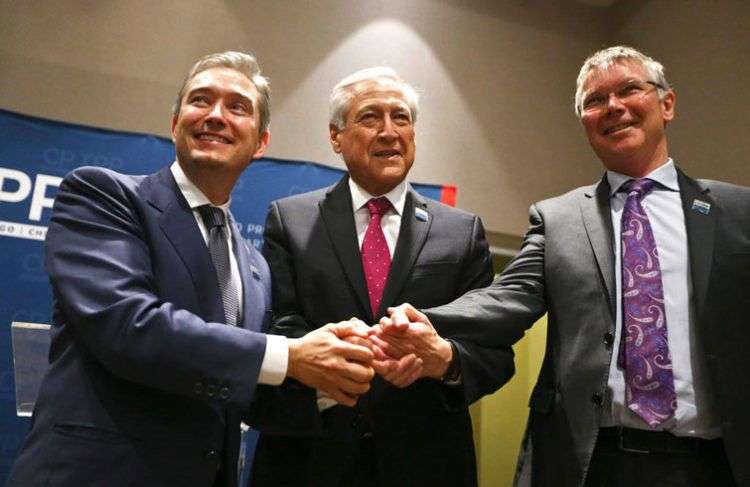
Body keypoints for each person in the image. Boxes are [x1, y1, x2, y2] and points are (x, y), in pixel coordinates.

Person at [384, 46, 750, 486]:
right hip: (592, 464)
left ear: (666, 103)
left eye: (629, 89)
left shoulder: (737, 210)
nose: (613, 107)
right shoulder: (558, 220)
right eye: (595, 101)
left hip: (715, 465)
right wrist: (422, 318)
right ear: (585, 122)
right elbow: (507, 298)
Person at [7, 51, 375, 487]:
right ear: (175, 124)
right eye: (201, 101)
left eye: (237, 107)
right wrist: (292, 355)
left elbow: (237, 383)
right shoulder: (102, 195)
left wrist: (334, 380)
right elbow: (129, 325)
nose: (216, 115)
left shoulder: (253, 264)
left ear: (261, 142)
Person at [250, 67, 514, 486]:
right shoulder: (291, 219)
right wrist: (328, 371)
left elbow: (493, 353)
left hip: (427, 464)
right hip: (309, 459)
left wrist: (443, 359)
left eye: (401, 118)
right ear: (336, 136)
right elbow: (279, 323)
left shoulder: (461, 232)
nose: (389, 132)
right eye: (370, 117)